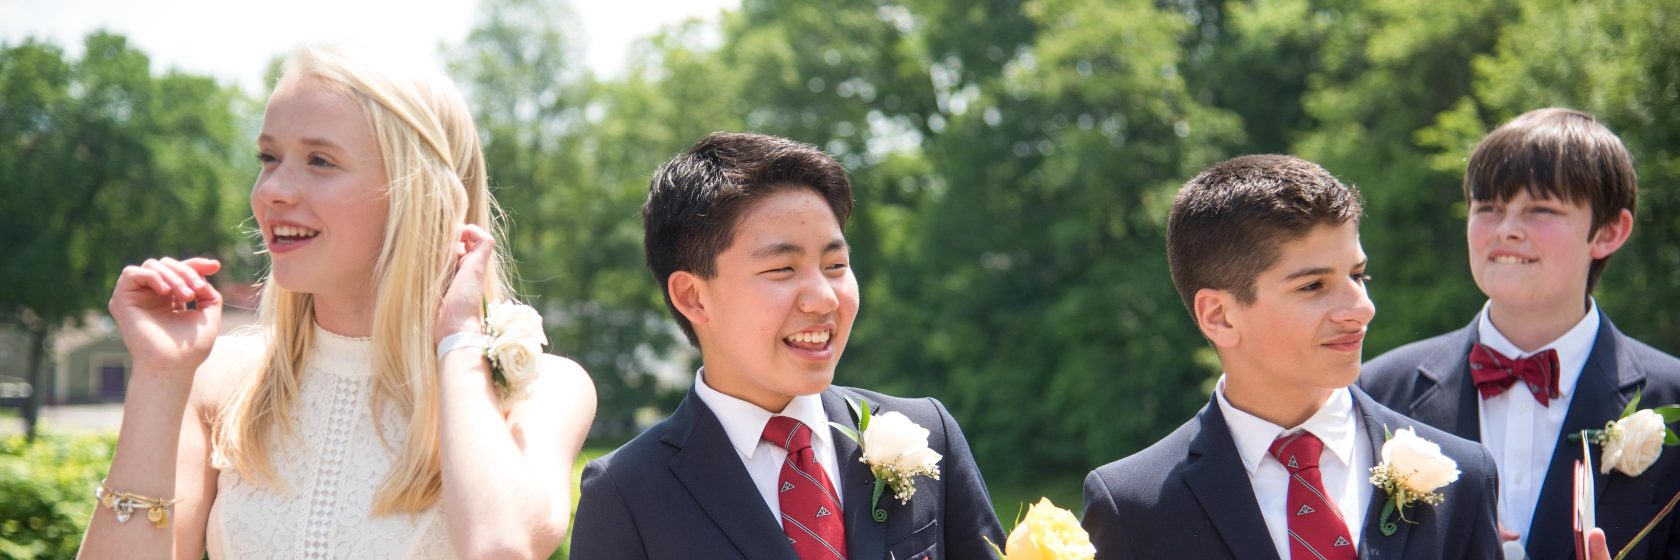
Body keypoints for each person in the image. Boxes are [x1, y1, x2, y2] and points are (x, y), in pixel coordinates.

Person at [77, 45, 596, 559]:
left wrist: (459, 341)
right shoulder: (221, 381)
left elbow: (499, 548)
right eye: (269, 158)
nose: (271, 191)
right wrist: (159, 377)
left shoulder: (540, 390)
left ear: (417, 195)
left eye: (320, 161)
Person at [570, 132, 1004, 559]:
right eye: (782, 269)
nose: (825, 298)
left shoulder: (927, 433)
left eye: (835, 265)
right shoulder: (626, 493)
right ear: (693, 297)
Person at [1081, 155, 1501, 559]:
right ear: (1220, 316)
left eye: (1358, 276)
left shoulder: (1462, 474)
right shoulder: (1132, 507)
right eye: (1312, 286)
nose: (1362, 309)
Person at [1360, 107, 1680, 559]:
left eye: (1540, 209)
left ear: (1609, 232)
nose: (1507, 230)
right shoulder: (1376, 394)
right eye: (1487, 208)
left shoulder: (1674, 397)